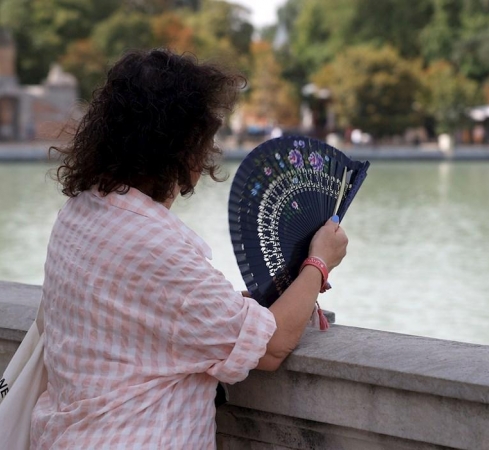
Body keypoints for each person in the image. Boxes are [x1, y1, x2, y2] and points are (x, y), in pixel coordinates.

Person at [31, 49, 348, 448]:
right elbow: (271, 347)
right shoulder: (152, 242)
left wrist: (237, 304)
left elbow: (145, 310)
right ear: (184, 147)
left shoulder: (79, 213)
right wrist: (319, 261)